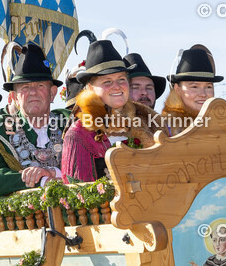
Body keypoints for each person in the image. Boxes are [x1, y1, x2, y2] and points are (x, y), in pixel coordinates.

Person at [61, 35, 164, 182]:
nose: (117, 86)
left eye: (121, 79)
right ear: (91, 88)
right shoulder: (79, 135)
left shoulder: (150, 123)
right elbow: (77, 192)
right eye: (107, 81)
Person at [0, 43, 70, 197]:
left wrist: (53, 173)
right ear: (15, 97)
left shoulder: (69, 123)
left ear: (52, 93)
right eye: (25, 87)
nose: (33, 92)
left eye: (40, 85)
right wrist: (42, 180)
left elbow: (87, 167)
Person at [161, 44, 223, 135]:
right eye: (194, 87)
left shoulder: (225, 126)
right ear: (177, 89)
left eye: (208, 87)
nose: (203, 94)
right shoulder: (162, 129)